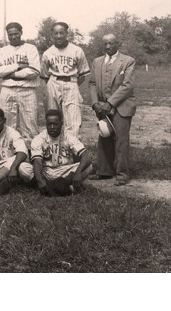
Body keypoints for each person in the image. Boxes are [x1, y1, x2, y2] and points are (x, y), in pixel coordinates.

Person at [88, 33, 136, 185]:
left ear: (117, 43)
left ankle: (122, 174)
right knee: (104, 137)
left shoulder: (128, 61)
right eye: (105, 44)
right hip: (102, 107)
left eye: (111, 43)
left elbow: (127, 85)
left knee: (121, 140)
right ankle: (104, 171)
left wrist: (111, 103)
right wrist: (95, 103)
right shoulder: (97, 61)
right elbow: (92, 84)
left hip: (122, 106)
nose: (108, 46)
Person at [0, 22, 41, 148]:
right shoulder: (3, 51)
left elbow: (34, 71)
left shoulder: (31, 48)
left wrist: (12, 74)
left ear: (21, 33)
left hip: (27, 90)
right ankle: (8, 155)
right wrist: (17, 66)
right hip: (8, 90)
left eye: (16, 34)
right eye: (10, 35)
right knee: (7, 125)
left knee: (30, 125)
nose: (13, 37)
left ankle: (31, 156)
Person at [40, 22, 90, 138]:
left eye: (61, 33)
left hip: (71, 82)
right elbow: (44, 76)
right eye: (56, 33)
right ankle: (54, 149)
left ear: (67, 33)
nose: (58, 36)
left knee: (73, 120)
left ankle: (72, 149)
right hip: (53, 82)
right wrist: (49, 89)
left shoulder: (77, 50)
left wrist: (74, 85)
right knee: (53, 118)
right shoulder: (48, 53)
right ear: (52, 35)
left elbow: (83, 74)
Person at [26, 109, 92, 196]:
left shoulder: (68, 136)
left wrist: (78, 173)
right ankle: (62, 186)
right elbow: (37, 161)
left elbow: (86, 155)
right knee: (23, 167)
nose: (52, 127)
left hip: (64, 171)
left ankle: (52, 186)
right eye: (49, 124)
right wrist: (40, 179)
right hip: (46, 171)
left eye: (55, 124)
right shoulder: (39, 139)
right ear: (46, 125)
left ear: (61, 124)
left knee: (88, 167)